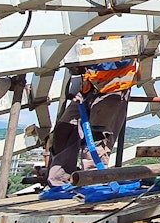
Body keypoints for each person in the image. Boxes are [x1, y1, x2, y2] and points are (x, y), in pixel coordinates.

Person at [46, 53, 138, 187]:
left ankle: (92, 183)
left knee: (97, 137)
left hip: (114, 89)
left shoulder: (128, 33)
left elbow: (124, 60)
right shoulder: (97, 35)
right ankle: (58, 182)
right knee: (65, 129)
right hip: (88, 89)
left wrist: (89, 63)